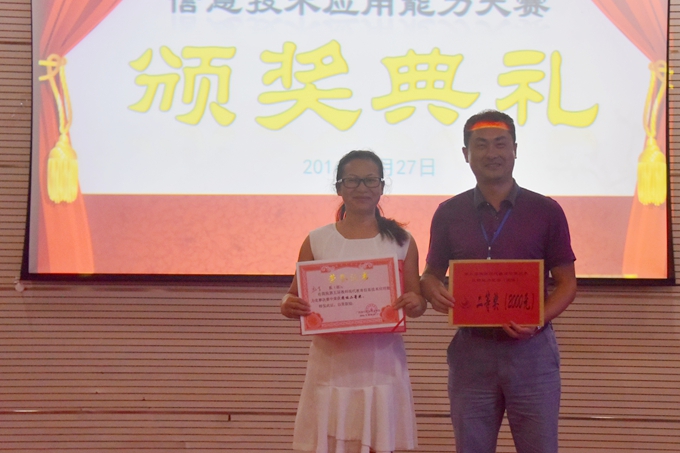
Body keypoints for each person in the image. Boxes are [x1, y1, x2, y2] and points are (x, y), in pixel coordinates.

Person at [420, 110, 577, 453]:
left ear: (515, 149)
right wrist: (432, 289)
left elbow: (567, 283)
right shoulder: (449, 212)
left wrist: (538, 319)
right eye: (481, 145)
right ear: (466, 154)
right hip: (471, 353)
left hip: (532, 353)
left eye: (500, 144)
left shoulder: (546, 210)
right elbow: (431, 274)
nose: (492, 153)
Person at [281, 150, 427, 453]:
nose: (362, 188)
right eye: (352, 180)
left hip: (381, 363)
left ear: (382, 186)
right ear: (339, 188)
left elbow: (418, 302)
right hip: (331, 364)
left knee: (379, 442)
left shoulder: (402, 240)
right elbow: (293, 295)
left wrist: (415, 303)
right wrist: (288, 304)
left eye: (370, 180)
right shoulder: (317, 239)